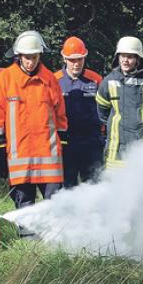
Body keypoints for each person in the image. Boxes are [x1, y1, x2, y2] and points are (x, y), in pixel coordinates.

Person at [0, 31, 67, 211]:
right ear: (19, 56)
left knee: (54, 206)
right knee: (24, 205)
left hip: (49, 156)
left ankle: (53, 238)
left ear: (40, 55)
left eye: (34, 57)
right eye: (26, 58)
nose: (30, 62)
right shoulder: (6, 79)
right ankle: (26, 238)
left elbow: (60, 115)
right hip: (19, 157)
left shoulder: (50, 80)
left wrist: (65, 145)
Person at [95, 36, 143, 168]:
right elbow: (102, 113)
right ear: (117, 57)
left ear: (138, 58)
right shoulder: (108, 81)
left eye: (130, 56)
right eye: (122, 56)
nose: (125, 60)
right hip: (117, 148)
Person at [54, 36, 104, 187]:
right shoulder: (54, 80)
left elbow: (105, 108)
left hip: (91, 143)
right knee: (67, 186)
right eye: (72, 60)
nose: (76, 64)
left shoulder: (95, 79)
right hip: (66, 142)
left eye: (80, 59)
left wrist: (102, 135)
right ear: (64, 58)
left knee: (94, 185)